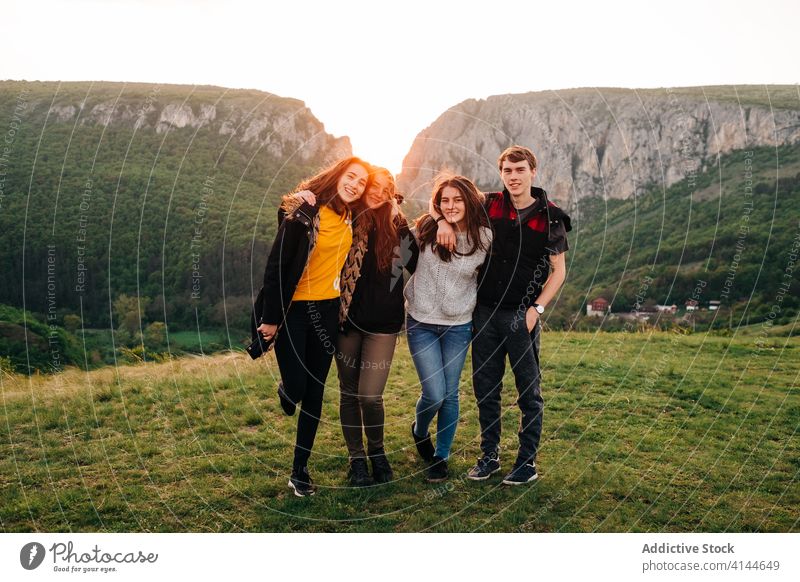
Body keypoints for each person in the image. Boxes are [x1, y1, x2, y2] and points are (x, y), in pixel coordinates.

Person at [435, 145, 570, 485]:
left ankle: (527, 463)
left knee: (529, 391)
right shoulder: (488, 203)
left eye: (520, 170)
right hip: (483, 313)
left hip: (520, 317)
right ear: (502, 174)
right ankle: (489, 457)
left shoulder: (551, 217)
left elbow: (559, 272)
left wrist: (536, 309)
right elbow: (447, 200)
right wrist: (441, 222)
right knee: (486, 389)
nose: (513, 177)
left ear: (532, 172)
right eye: (507, 171)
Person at [288, 168, 419, 487]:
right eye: (374, 185)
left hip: (384, 325)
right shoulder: (347, 217)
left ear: (392, 192)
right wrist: (305, 196)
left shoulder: (398, 225)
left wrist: (438, 224)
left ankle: (377, 453)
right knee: (348, 393)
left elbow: (418, 264)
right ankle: (356, 460)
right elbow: (318, 207)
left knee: (370, 395)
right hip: (344, 320)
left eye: (386, 188)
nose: (378, 192)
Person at [255, 156, 370, 497]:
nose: (355, 185)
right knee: (298, 386)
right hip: (294, 310)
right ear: (338, 176)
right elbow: (277, 265)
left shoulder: (353, 218)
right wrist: (271, 318)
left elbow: (386, 210)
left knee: (316, 392)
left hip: (328, 310)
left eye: (361, 182)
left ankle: (299, 470)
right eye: (351, 177)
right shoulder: (307, 210)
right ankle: (287, 391)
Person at [406, 175, 492, 482]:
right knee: (434, 394)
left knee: (451, 394)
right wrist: (438, 219)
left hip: (458, 325)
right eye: (445, 200)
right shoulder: (425, 228)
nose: (451, 205)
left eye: (457, 199)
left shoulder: (484, 236)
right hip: (421, 323)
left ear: (469, 201)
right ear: (437, 204)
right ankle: (419, 429)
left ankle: (440, 457)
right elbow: (395, 256)